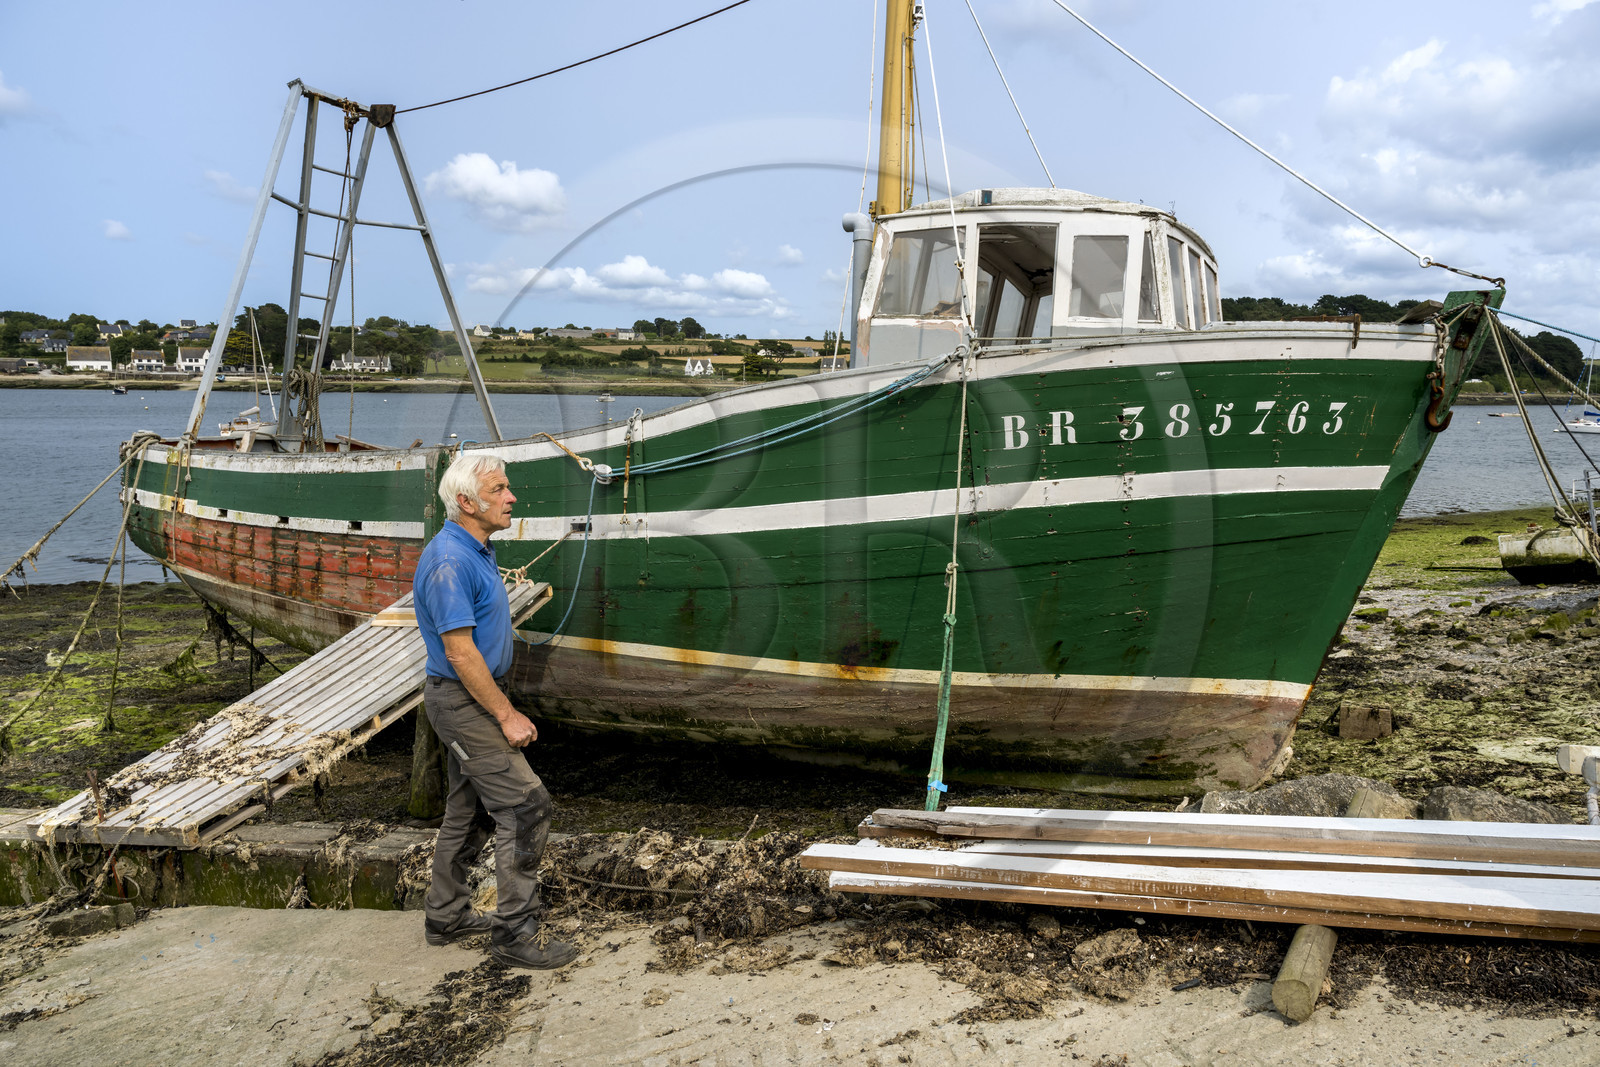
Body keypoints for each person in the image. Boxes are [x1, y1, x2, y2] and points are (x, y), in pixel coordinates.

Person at [412, 450, 577, 969]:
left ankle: (446, 915)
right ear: (466, 501)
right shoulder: (449, 561)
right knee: (526, 806)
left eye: (508, 487)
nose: (511, 497)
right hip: (465, 704)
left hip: (472, 697)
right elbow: (459, 652)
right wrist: (506, 714)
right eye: (499, 489)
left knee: (469, 810)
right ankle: (513, 933)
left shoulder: (474, 548)